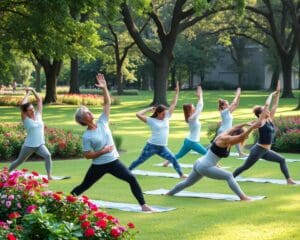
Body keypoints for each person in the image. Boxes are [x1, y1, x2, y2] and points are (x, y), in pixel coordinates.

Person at [71, 73, 152, 211]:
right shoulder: (87, 136)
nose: (90, 113)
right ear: (83, 120)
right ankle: (66, 201)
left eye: (89, 111)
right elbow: (87, 155)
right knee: (84, 186)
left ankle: (143, 205)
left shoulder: (102, 121)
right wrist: (102, 151)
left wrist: (104, 88)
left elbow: (107, 103)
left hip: (114, 162)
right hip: (98, 166)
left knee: (131, 178)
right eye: (87, 113)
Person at [166, 121, 261, 200]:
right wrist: (252, 127)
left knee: (188, 182)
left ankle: (169, 193)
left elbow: (235, 127)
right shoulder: (225, 138)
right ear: (235, 135)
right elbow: (241, 137)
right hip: (205, 166)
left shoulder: (224, 135)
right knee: (229, 176)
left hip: (200, 163)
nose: (241, 140)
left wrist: (245, 124)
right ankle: (243, 197)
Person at [233, 81, 296, 184]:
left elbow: (275, 104)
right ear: (260, 114)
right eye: (265, 111)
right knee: (245, 167)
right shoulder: (260, 121)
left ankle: (289, 180)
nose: (268, 111)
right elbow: (267, 104)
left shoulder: (269, 119)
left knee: (282, 160)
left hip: (266, 151)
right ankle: (231, 177)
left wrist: (278, 92)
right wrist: (271, 94)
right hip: (257, 150)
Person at [128, 81, 185, 178]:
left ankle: (181, 175)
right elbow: (138, 114)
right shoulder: (151, 120)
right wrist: (149, 109)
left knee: (173, 158)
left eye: (165, 113)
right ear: (158, 113)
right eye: (162, 113)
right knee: (140, 160)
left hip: (162, 147)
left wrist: (177, 92)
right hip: (151, 146)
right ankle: (127, 171)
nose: (164, 115)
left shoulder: (167, 116)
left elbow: (173, 104)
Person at [9, 87, 53, 180]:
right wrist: (28, 93)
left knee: (48, 155)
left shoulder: (38, 115)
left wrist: (33, 90)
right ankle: (6, 173)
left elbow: (39, 100)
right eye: (30, 109)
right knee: (19, 161)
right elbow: (22, 104)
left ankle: (49, 176)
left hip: (40, 144)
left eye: (33, 108)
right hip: (29, 146)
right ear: (25, 112)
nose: (32, 110)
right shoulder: (25, 119)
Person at [163, 85, 207, 167]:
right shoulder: (192, 118)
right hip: (192, 142)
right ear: (190, 110)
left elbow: (198, 107)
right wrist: (200, 95)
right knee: (207, 153)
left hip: (189, 141)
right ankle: (217, 166)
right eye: (193, 107)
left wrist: (199, 96)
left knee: (179, 155)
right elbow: (200, 108)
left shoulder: (191, 117)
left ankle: (166, 162)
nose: (194, 107)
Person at [215, 87, 247, 157]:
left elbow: (236, 105)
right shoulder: (224, 112)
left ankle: (240, 153)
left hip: (228, 130)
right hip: (223, 131)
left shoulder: (228, 112)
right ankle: (205, 151)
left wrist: (238, 96)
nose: (228, 105)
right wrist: (237, 94)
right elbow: (233, 103)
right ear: (223, 106)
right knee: (215, 145)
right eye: (226, 104)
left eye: (228, 104)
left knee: (236, 138)